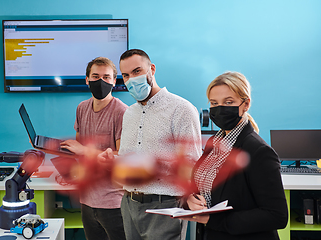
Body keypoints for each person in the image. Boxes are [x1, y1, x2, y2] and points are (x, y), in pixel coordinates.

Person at [99, 49, 202, 240]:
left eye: (137, 71)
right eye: (126, 75)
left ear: (151, 69)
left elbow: (191, 164)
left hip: (164, 206)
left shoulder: (182, 109)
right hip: (129, 204)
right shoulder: (129, 113)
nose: (131, 79)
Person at [181, 71, 288, 240]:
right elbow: (201, 188)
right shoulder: (213, 143)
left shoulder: (259, 151)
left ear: (245, 104)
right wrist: (189, 200)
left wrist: (213, 220)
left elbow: (276, 215)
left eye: (228, 102)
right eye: (214, 103)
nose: (220, 108)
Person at [59, 57, 128, 240]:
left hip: (114, 202)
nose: (101, 81)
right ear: (87, 80)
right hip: (87, 200)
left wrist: (83, 151)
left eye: (107, 77)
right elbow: (80, 152)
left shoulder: (122, 112)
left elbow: (122, 157)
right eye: (96, 76)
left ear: (114, 81)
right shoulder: (81, 108)